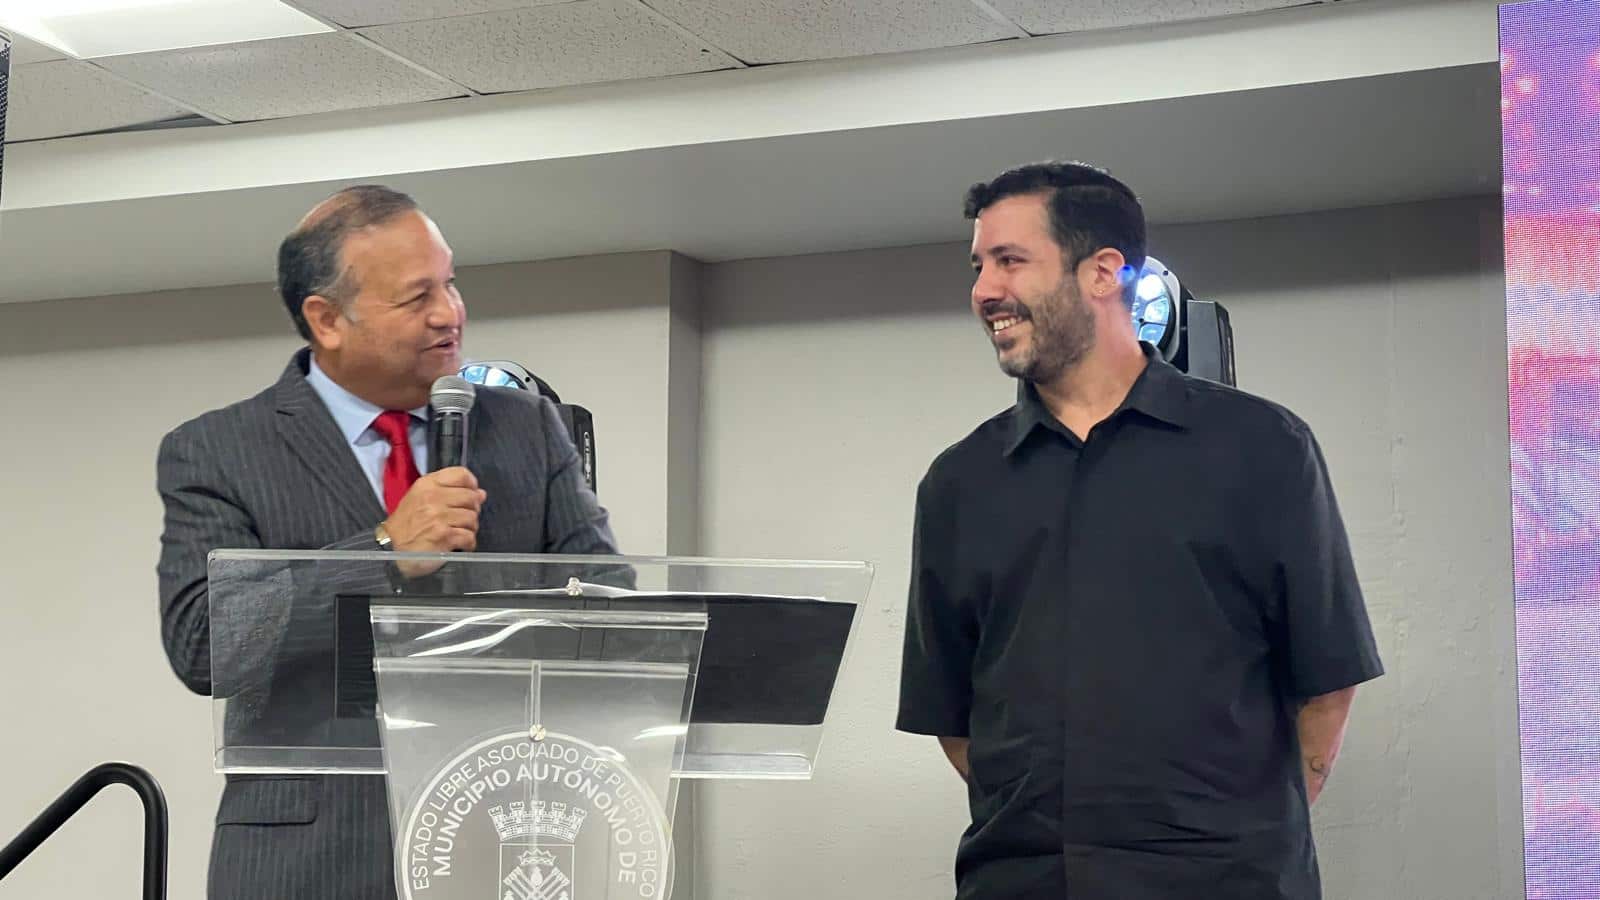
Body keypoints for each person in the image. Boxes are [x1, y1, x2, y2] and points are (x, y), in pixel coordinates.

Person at [896, 161, 1383, 900]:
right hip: (1023, 883)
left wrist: (1227, 837)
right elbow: (955, 717)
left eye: (1010, 260)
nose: (984, 290)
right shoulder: (958, 483)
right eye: (978, 266)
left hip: (1225, 884)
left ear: (1102, 272)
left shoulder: (1262, 448)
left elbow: (1327, 683)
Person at [156, 185, 620, 899]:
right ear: (326, 319)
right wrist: (383, 553)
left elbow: (612, 609)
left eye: (450, 283)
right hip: (307, 860)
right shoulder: (218, 449)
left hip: (505, 840)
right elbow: (203, 645)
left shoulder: (529, 428)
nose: (448, 313)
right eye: (415, 297)